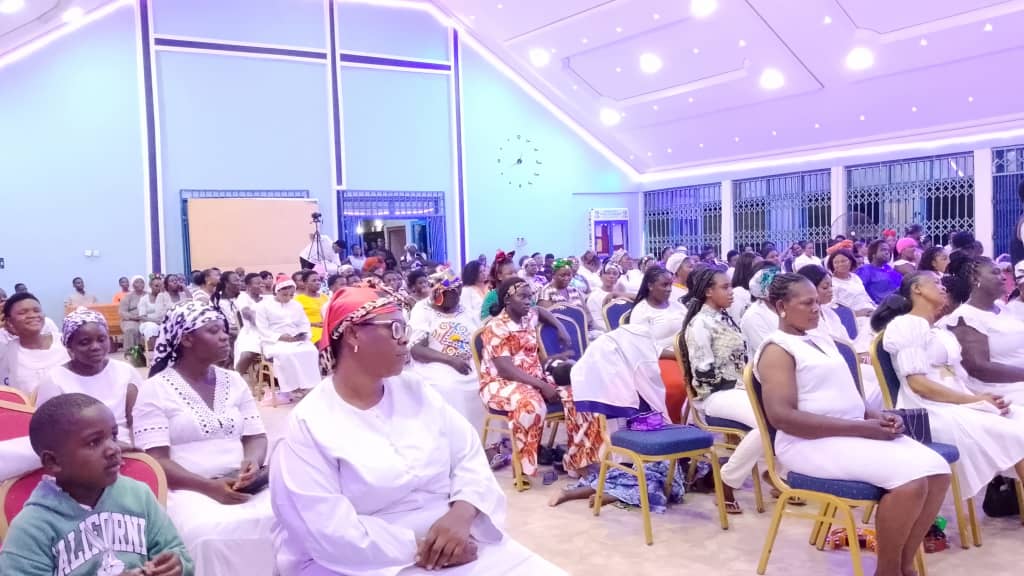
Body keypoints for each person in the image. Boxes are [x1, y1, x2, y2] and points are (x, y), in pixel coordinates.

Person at [269, 285, 566, 576]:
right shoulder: (309, 424)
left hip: (458, 532)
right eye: (395, 329)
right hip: (366, 559)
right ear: (353, 334)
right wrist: (423, 548)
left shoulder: (415, 390)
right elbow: (326, 527)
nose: (405, 340)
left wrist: (463, 512)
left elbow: (468, 454)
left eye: (406, 329)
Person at [756, 274, 951, 576]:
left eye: (817, 302)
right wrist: (863, 429)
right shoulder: (777, 349)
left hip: (847, 433)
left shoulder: (821, 339)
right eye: (807, 303)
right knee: (910, 483)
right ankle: (887, 571)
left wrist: (876, 416)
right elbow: (782, 418)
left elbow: (849, 398)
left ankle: (904, 564)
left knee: (938, 470)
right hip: (807, 443)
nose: (816, 309)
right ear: (782, 306)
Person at [133, 301, 274, 576]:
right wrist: (208, 487)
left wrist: (253, 463)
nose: (224, 337)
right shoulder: (154, 390)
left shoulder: (234, 380)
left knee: (286, 516)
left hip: (242, 483)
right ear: (186, 339)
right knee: (209, 533)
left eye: (224, 330)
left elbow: (255, 435)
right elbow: (156, 460)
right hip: (185, 489)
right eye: (213, 331)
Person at [0, 394, 193, 576]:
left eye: (114, 436)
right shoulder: (32, 527)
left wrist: (176, 565)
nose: (113, 449)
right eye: (94, 442)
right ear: (53, 461)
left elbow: (176, 551)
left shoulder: (138, 495)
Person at [874, 272, 1024, 500]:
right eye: (935, 282)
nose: (943, 287)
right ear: (917, 289)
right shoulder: (906, 325)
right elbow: (918, 385)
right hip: (930, 410)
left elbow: (956, 379)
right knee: (1018, 433)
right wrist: (975, 400)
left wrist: (984, 397)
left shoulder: (939, 330)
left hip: (958, 402)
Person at [479, 277, 601, 482]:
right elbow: (506, 370)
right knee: (531, 405)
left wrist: (560, 328)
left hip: (533, 378)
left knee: (581, 395)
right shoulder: (496, 327)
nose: (528, 301)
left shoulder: (528, 316)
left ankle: (578, 461)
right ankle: (523, 468)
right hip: (499, 383)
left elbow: (541, 311)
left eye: (530, 296)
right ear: (507, 300)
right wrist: (542, 386)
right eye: (522, 297)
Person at [679, 267, 753, 513]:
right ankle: (726, 482)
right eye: (725, 287)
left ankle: (732, 478)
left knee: (781, 413)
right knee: (767, 423)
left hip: (738, 389)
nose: (731, 292)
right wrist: (742, 386)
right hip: (714, 395)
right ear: (709, 292)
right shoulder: (700, 324)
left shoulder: (725, 318)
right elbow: (704, 374)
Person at [37, 308, 142, 445]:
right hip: (80, 450)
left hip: (129, 447)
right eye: (85, 342)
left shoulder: (126, 372)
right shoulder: (54, 380)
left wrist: (137, 450)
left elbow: (139, 421)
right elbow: (49, 433)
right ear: (69, 347)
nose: (95, 347)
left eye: (101, 339)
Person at [939, 253, 1024, 405]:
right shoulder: (966, 317)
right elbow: (979, 368)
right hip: (999, 388)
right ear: (975, 279)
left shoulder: (1002, 307)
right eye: (995, 272)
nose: (1004, 277)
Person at [796, 265, 882, 410]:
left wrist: (861, 355)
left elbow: (847, 344)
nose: (831, 290)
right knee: (878, 383)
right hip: (828, 372)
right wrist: (855, 358)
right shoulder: (804, 320)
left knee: (880, 374)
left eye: (831, 286)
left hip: (847, 363)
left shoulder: (830, 314)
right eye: (825, 287)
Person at [408, 267, 484, 429]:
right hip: (437, 363)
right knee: (450, 387)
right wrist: (451, 360)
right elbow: (416, 350)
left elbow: (480, 337)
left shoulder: (464, 309)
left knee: (486, 382)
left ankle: (486, 437)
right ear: (438, 294)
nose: (458, 296)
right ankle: (456, 435)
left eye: (458, 291)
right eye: (452, 293)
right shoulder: (422, 310)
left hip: (471, 361)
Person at [629, 267, 688, 423]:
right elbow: (643, 346)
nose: (669, 289)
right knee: (677, 385)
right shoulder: (641, 311)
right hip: (658, 358)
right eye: (664, 285)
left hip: (685, 354)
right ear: (650, 286)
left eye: (670, 285)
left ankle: (695, 422)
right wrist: (676, 355)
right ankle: (673, 424)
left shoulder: (678, 306)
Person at [254, 276, 321, 403]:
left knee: (311, 351)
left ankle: (308, 387)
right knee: (287, 354)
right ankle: (290, 389)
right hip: (274, 341)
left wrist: (303, 335)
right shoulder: (263, 306)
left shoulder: (296, 305)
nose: (288, 297)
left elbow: (304, 323)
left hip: (295, 339)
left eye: (291, 294)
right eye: (285, 294)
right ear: (277, 291)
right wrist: (280, 337)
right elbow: (262, 328)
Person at [2, 293, 69, 395]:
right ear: (9, 321)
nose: (32, 315)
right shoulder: (7, 352)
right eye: (22, 312)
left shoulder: (65, 342)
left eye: (37, 311)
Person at [537, 258, 594, 335]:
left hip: (582, 330)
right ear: (553, 275)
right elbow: (548, 319)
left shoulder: (574, 290)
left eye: (569, 275)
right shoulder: (545, 292)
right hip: (559, 334)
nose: (566, 278)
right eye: (562, 275)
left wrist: (585, 324)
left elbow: (587, 313)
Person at [740, 265, 780, 357]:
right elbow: (768, 353)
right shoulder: (753, 316)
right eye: (775, 285)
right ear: (764, 290)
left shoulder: (786, 307)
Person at [234, 273, 265, 375]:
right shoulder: (243, 297)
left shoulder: (267, 298)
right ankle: (235, 378)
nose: (261, 285)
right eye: (258, 283)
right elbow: (247, 313)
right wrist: (262, 323)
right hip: (251, 332)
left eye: (262, 282)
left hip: (269, 331)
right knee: (247, 354)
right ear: (248, 286)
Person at [212, 270, 244, 367]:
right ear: (226, 283)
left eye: (240, 280)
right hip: (227, 331)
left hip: (243, 330)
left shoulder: (243, 297)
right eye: (236, 280)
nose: (239, 283)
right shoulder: (216, 300)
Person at [857, 239, 902, 304]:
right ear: (873, 254)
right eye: (883, 250)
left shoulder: (889, 269)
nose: (887, 252)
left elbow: (902, 284)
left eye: (888, 250)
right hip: (877, 307)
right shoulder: (865, 270)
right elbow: (860, 292)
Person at [585, 262, 625, 334]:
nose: (611, 276)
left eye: (615, 274)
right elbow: (596, 322)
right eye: (607, 273)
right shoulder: (594, 296)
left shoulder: (622, 295)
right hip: (606, 333)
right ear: (601, 276)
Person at [481, 250, 517, 320]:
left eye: (515, 272)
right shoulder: (492, 297)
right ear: (499, 276)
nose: (514, 276)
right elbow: (485, 322)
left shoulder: (521, 291)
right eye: (510, 273)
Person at [294, 270, 327, 345]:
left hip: (327, 329)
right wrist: (314, 324)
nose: (317, 283)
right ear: (305, 283)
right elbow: (294, 321)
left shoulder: (325, 298)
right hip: (310, 331)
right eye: (314, 280)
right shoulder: (298, 300)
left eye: (319, 280)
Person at [728, 252, 758, 321]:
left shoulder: (756, 291)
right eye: (757, 267)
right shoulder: (737, 294)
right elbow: (735, 320)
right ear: (747, 270)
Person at [138, 275, 165, 345]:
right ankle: (156, 349)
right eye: (156, 286)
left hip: (163, 322)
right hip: (148, 323)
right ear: (150, 286)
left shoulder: (165, 297)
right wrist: (156, 321)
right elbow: (142, 317)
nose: (159, 288)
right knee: (152, 327)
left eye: (161, 286)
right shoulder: (144, 299)